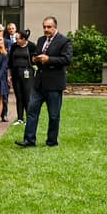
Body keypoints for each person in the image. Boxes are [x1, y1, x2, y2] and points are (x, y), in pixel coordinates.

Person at [16, 17, 73, 148]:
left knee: (53, 115)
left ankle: (51, 141)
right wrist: (35, 59)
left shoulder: (64, 41)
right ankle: (29, 140)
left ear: (55, 27)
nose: (46, 29)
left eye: (49, 27)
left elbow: (67, 59)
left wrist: (49, 59)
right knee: (31, 111)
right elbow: (37, 54)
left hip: (54, 84)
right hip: (39, 83)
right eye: (44, 27)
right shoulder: (41, 40)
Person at [7, 28, 37, 125]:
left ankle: (29, 118)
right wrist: (9, 75)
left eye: (18, 39)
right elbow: (10, 62)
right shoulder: (14, 46)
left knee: (27, 96)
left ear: (24, 39)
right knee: (18, 96)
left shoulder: (31, 46)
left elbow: (35, 59)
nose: (16, 40)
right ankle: (20, 118)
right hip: (16, 73)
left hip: (27, 73)